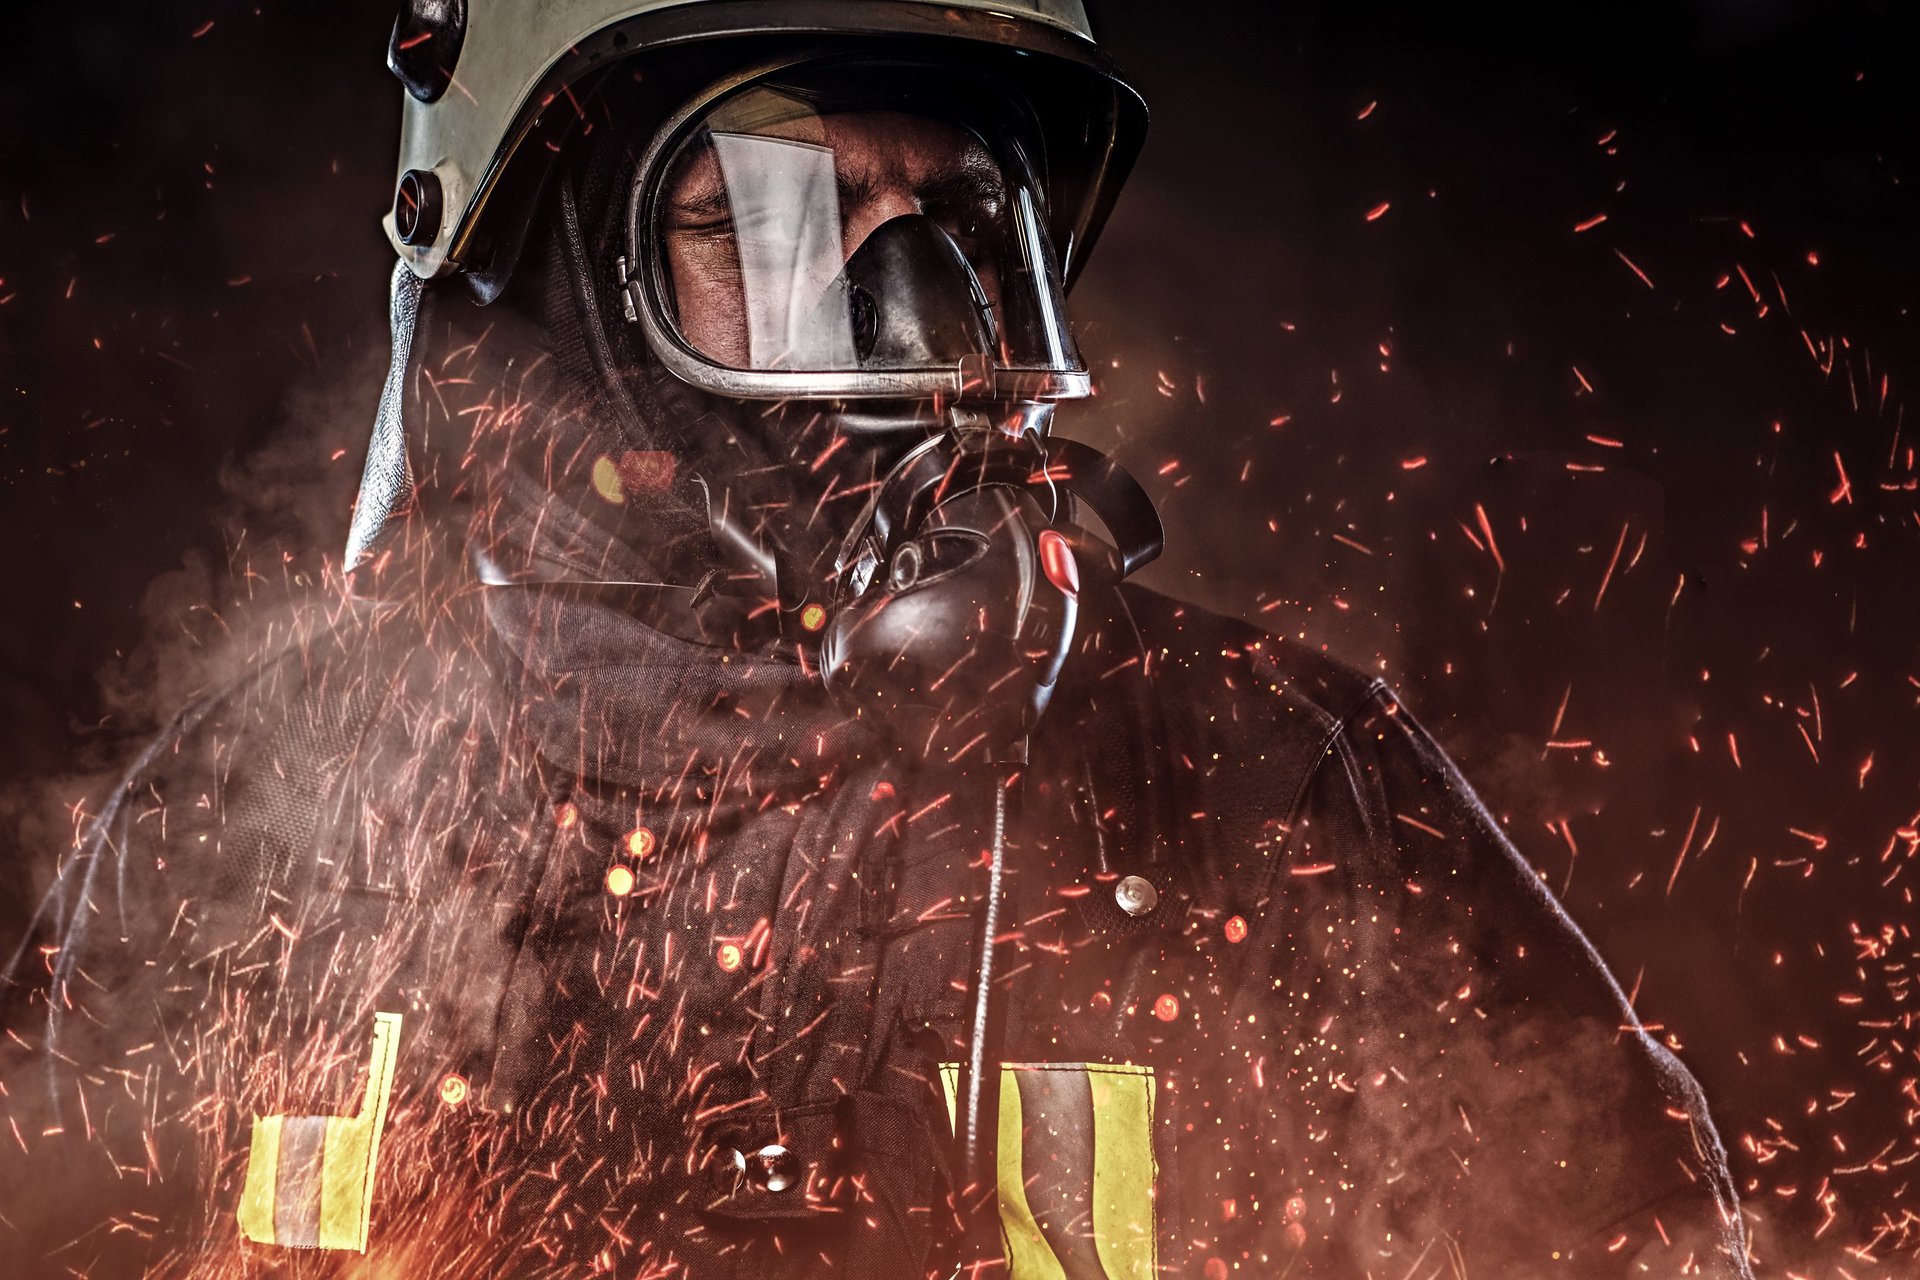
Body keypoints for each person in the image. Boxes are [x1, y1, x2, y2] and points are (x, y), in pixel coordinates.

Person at [0, 2, 1753, 1277]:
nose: (914, 320)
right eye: (770, 222)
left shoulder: (1270, 775)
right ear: (548, 280)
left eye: (963, 225)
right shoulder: (257, 827)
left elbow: (1651, 1242)